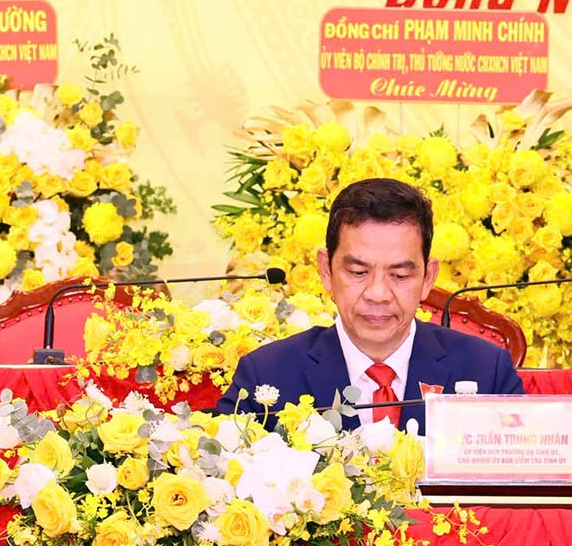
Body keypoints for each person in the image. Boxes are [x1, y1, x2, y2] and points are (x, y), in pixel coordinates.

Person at [215, 177, 523, 433]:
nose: (378, 294)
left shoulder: (486, 370)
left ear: (428, 277)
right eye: (358, 272)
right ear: (326, 271)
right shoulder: (267, 375)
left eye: (400, 274)